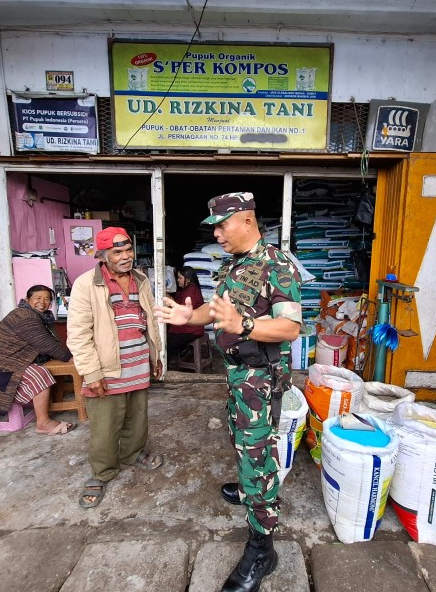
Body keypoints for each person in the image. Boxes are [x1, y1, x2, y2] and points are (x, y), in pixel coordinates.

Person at [156, 192, 302, 592]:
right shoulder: (236, 264)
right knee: (240, 438)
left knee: (258, 455)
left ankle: (262, 548)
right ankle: (247, 488)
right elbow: (219, 309)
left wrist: (247, 327)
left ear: (247, 222)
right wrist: (191, 315)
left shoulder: (277, 265)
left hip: (260, 376)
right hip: (238, 373)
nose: (217, 234)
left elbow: (290, 328)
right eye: (214, 228)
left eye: (221, 226)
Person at [67, 226, 164, 509]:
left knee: (137, 417)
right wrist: (91, 373)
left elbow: (149, 321)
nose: (126, 256)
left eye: (128, 249)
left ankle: (133, 453)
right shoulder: (87, 284)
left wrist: (155, 356)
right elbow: (78, 334)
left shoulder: (142, 280)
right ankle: (102, 472)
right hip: (107, 368)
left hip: (137, 363)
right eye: (117, 251)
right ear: (102, 255)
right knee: (105, 425)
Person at [0, 284, 76, 435]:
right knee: (40, 374)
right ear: (27, 299)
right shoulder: (25, 316)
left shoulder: (40, 317)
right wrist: (70, 358)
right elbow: (46, 343)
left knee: (44, 367)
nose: (42, 302)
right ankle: (43, 423)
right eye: (38, 298)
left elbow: (49, 342)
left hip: (5, 361)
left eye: (47, 299)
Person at [166, 266, 205, 354]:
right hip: (190, 327)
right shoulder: (188, 289)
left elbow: (183, 311)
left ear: (188, 279)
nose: (178, 280)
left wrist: (172, 303)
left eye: (180, 278)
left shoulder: (190, 291)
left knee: (166, 344)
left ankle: (170, 363)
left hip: (190, 329)